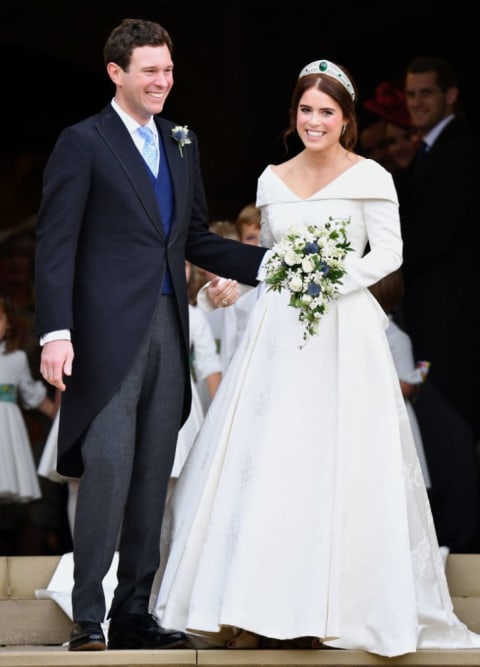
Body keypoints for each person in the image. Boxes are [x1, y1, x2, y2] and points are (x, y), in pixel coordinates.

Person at [151, 59, 480, 657]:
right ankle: (252, 607)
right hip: (278, 338)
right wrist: (238, 284)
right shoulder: (272, 179)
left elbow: (388, 255)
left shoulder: (372, 176)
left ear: (346, 119)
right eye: (306, 109)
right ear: (295, 114)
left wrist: (324, 278)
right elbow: (268, 259)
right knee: (272, 461)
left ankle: (329, 607)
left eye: (327, 111)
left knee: (335, 461)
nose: (314, 120)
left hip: (343, 334)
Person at [33, 18, 266, 652]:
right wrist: (56, 332)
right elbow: (56, 245)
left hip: (171, 328)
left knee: (152, 475)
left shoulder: (182, 142)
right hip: (105, 337)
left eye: (167, 70)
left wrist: (271, 265)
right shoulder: (82, 142)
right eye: (149, 71)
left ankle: (136, 612)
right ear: (116, 73)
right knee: (106, 470)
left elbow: (193, 237)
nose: (163, 81)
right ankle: (90, 618)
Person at [396, 56, 480, 551]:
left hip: (452, 319)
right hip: (429, 317)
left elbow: (435, 234)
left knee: (450, 422)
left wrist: (385, 260)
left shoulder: (460, 151)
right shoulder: (427, 152)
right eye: (410, 96)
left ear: (450, 96)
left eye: (426, 93)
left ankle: (463, 538)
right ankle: (451, 532)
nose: (416, 104)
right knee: (435, 424)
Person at [368, 269, 431, 489]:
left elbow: (406, 386)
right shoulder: (365, 332)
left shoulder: (396, 337)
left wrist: (370, 383)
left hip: (390, 419)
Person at [0, 290, 57, 504]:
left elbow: (33, 394)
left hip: (5, 434)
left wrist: (58, 415)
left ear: (8, 325)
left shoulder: (17, 358)